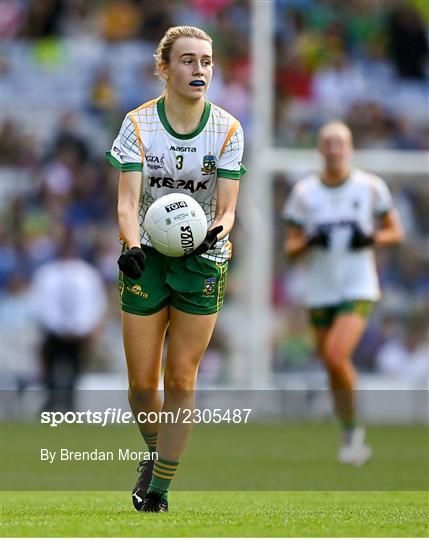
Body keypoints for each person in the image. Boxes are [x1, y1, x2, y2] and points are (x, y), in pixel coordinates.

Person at [106, 26, 245, 512]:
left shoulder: (227, 128)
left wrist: (216, 235)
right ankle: (155, 453)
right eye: (187, 61)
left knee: (182, 378)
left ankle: (159, 491)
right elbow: (127, 202)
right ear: (164, 68)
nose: (199, 70)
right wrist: (130, 243)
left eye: (206, 61)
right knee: (143, 386)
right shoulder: (138, 124)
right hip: (145, 258)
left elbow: (227, 211)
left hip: (202, 259)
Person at [283, 121, 403, 466]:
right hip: (320, 290)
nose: (335, 149)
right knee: (332, 366)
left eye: (340, 143)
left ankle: (354, 431)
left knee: (336, 356)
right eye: (329, 143)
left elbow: (396, 232)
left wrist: (372, 239)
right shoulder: (305, 193)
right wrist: (307, 241)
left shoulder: (370, 187)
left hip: (358, 286)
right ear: (320, 150)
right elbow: (289, 247)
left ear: (349, 148)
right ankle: (350, 429)